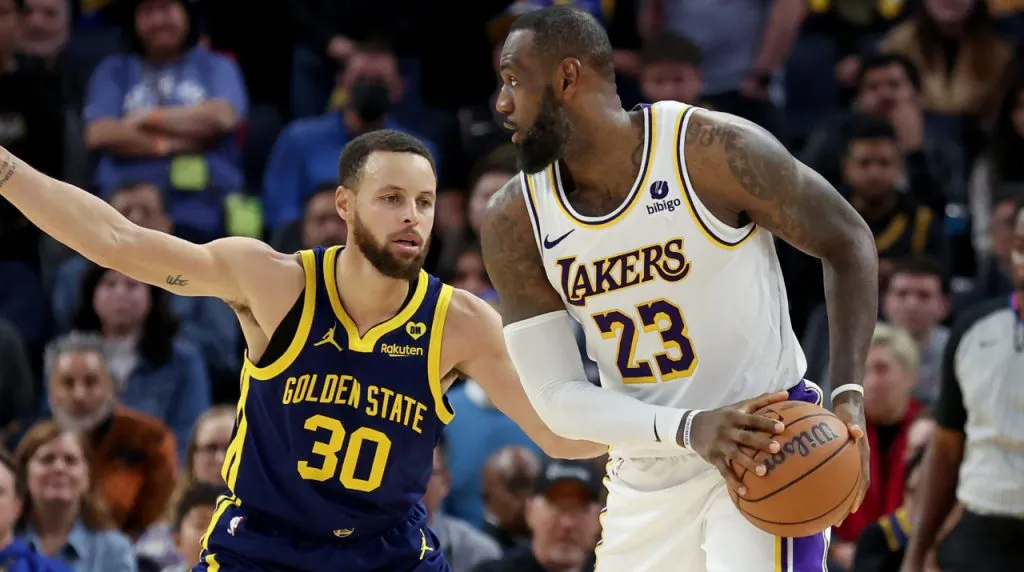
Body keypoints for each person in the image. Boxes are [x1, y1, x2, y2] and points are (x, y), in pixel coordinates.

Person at [0, 129, 605, 572]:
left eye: (423, 201)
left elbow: (556, 434)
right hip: (263, 547)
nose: (412, 217)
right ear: (345, 205)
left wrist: (673, 428)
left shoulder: (463, 322)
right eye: (391, 198)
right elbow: (117, 241)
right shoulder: (274, 282)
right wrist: (6, 171)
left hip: (387, 553)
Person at [479, 6, 879, 572]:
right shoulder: (515, 218)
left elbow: (849, 241)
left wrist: (848, 395)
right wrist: (689, 429)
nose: (501, 102)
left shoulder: (709, 151)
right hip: (647, 465)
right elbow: (556, 399)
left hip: (763, 444)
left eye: (514, 79)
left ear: (567, 78)